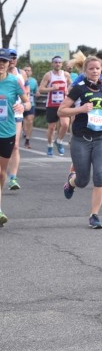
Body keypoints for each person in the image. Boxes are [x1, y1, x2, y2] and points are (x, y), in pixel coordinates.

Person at [58, 55, 102, 228]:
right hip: (81, 139)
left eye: (97, 68)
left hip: (101, 138)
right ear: (85, 71)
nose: (94, 71)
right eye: (91, 68)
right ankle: (71, 182)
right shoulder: (78, 89)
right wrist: (81, 109)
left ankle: (94, 215)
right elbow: (61, 111)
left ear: (101, 71)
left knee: (99, 176)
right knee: (83, 181)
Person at [0, 48, 30, 226]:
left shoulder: (13, 82)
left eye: (4, 61)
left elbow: (27, 101)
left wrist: (22, 107)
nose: (1, 64)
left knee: (1, 173)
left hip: (6, 132)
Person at [6, 49, 30, 190]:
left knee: (15, 146)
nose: (12, 60)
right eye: (9, 57)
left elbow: (26, 96)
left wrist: (23, 105)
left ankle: (13, 178)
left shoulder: (22, 74)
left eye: (15, 57)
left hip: (16, 114)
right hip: (2, 115)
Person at [39, 55, 72, 157]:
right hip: (51, 104)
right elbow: (41, 89)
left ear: (62, 64)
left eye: (59, 62)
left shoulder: (66, 75)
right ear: (52, 63)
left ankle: (59, 141)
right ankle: (49, 145)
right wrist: (52, 88)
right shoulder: (48, 75)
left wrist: (68, 90)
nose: (57, 64)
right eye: (55, 62)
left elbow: (72, 86)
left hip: (63, 104)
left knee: (65, 124)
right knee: (52, 127)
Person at [22, 65, 39, 150]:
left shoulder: (34, 81)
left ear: (31, 72)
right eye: (25, 70)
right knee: (24, 120)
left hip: (31, 103)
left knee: (30, 120)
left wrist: (36, 93)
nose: (27, 72)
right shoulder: (19, 79)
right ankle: (24, 132)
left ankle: (27, 140)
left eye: (29, 70)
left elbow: (37, 92)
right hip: (20, 104)